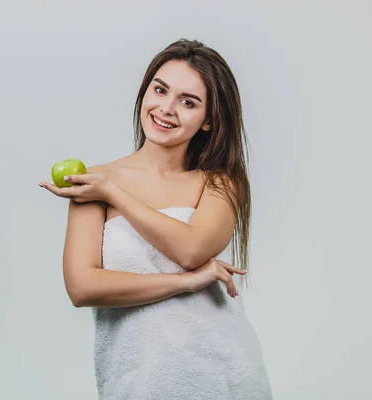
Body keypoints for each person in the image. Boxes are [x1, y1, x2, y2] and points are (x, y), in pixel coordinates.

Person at [39, 38, 272, 399]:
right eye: (160, 90)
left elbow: (192, 250)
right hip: (139, 379)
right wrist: (185, 284)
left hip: (222, 373)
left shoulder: (219, 182)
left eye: (188, 102)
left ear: (209, 120)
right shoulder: (92, 182)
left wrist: (115, 193)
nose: (166, 108)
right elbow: (83, 287)